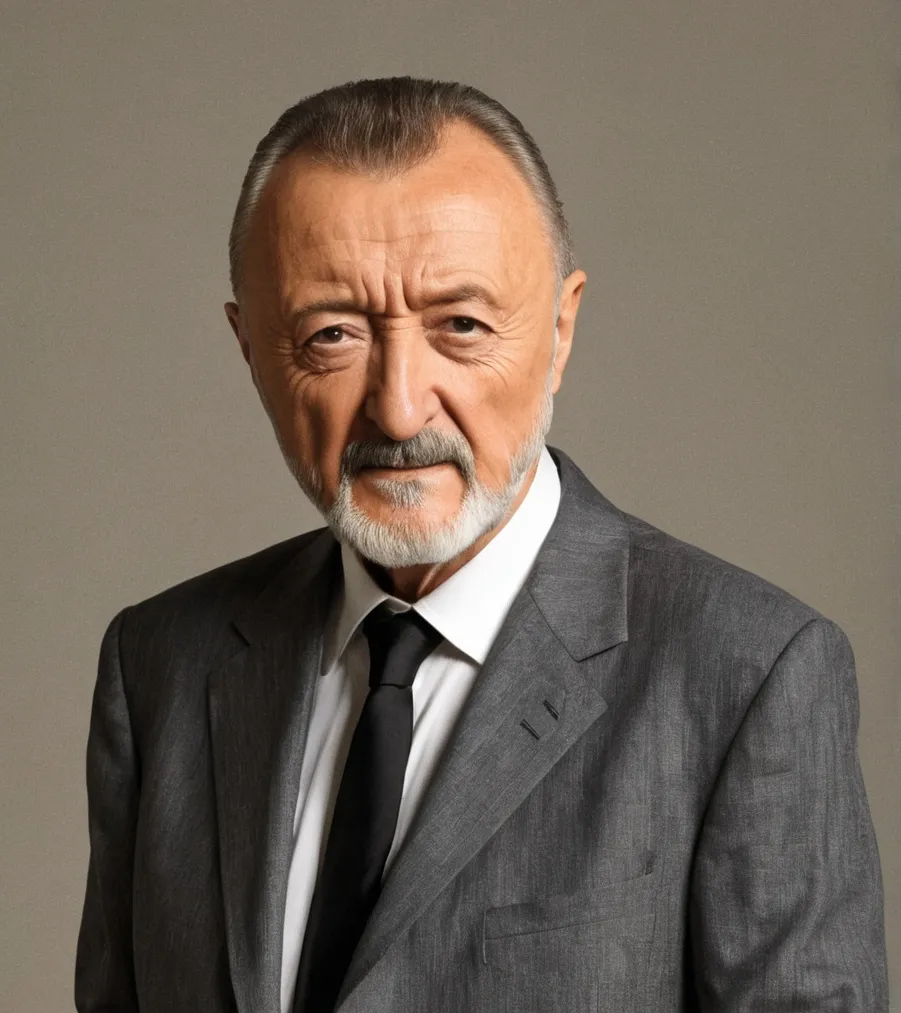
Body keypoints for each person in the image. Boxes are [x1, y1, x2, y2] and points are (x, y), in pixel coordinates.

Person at [74, 77, 888, 1013]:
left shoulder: (745, 675)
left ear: (559, 329)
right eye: (331, 335)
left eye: (459, 326)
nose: (397, 408)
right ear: (250, 347)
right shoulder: (160, 664)